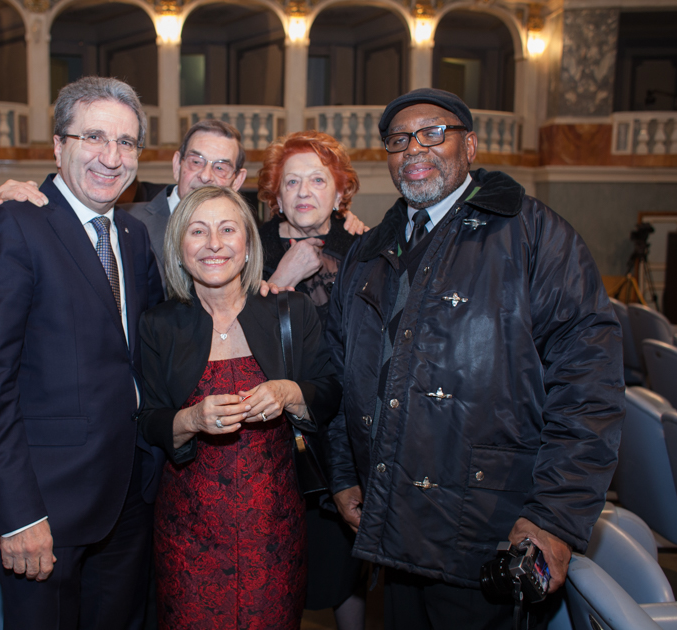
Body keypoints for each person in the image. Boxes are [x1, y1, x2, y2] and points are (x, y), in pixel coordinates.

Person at [325, 88, 625, 629]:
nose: (414, 148)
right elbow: (342, 371)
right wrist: (345, 474)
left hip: (493, 528)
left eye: (433, 133)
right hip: (391, 521)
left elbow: (589, 387)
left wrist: (555, 519)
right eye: (398, 139)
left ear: (471, 146)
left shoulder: (535, 234)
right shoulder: (367, 253)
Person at [0, 76, 165, 630]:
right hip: (46, 506)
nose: (111, 157)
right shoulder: (14, 226)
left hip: (128, 496)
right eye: (93, 137)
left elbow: (145, 353)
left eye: (126, 143)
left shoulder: (134, 235)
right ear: (58, 144)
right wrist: (18, 514)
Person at [137, 185, 342, 629]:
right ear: (179, 247)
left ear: (248, 245)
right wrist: (189, 419)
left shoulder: (290, 310)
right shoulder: (158, 325)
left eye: (228, 229)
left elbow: (329, 392)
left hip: (274, 535)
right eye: (198, 231)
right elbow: (146, 420)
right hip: (187, 538)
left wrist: (289, 392)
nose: (214, 243)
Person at [0, 120, 368, 291]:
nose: (205, 175)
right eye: (196, 162)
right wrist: (25, 205)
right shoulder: (125, 224)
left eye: (220, 167)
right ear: (176, 165)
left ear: (237, 181)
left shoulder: (246, 236)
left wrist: (342, 219)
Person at [256, 130, 366, 629]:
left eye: (317, 180)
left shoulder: (367, 249)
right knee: (275, 571)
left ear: (340, 192)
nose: (303, 191)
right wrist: (284, 273)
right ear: (275, 195)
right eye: (291, 181)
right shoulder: (248, 244)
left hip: (345, 431)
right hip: (270, 432)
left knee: (347, 568)